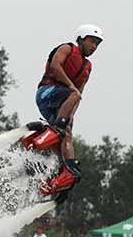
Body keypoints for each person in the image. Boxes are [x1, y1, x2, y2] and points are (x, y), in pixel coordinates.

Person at [34, 24, 103, 195]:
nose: (94, 47)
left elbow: (79, 93)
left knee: (67, 132)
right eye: (91, 42)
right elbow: (55, 66)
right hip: (46, 94)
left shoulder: (88, 67)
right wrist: (71, 86)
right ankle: (58, 127)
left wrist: (71, 115)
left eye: (97, 44)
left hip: (62, 103)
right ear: (80, 39)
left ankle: (64, 170)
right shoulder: (67, 48)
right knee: (71, 100)